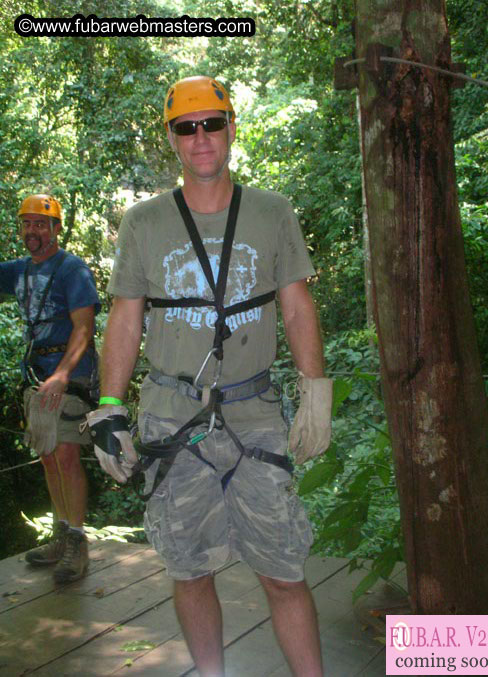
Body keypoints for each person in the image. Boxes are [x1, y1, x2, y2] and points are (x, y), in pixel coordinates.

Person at [87, 76, 332, 676]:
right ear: (171, 138)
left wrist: (315, 390)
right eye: (185, 127)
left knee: (284, 569)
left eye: (211, 123)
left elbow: (297, 305)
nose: (201, 138)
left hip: (255, 414)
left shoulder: (272, 213)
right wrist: (109, 407)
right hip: (174, 415)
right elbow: (124, 317)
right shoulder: (143, 223)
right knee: (190, 570)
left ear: (230, 128)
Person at [0, 194, 101, 583]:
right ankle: (61, 535)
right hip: (36, 372)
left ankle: (77, 541)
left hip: (70, 371)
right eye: (27, 224)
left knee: (65, 453)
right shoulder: (19, 271)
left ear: (56, 229)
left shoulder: (71, 269)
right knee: (47, 454)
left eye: (41, 224)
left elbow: (84, 327)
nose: (33, 231)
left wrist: (62, 374)